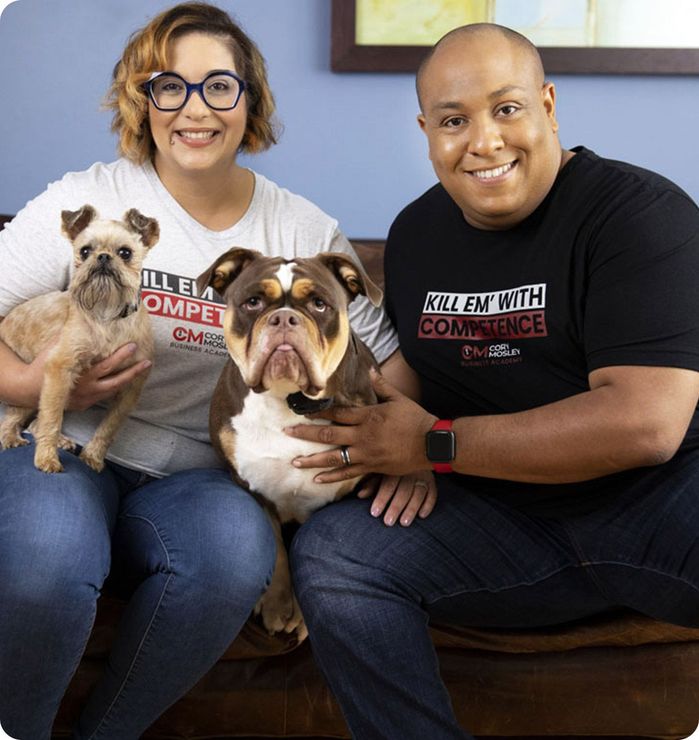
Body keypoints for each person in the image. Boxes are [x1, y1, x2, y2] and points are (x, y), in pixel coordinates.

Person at [0, 3, 404, 738]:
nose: (194, 108)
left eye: (219, 86)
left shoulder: (301, 230)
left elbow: (385, 364)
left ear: (248, 100)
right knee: (45, 563)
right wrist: (29, 387)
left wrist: (422, 445)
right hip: (64, 444)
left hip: (201, 477)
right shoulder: (83, 202)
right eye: (169, 86)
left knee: (231, 556)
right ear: (140, 98)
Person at [286, 23, 699, 739]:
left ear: (547, 105)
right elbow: (412, 370)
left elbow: (645, 424)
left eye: (506, 109)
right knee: (336, 556)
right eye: (453, 120)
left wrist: (434, 446)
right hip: (503, 526)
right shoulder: (416, 234)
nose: (482, 142)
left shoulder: (637, 214)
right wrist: (377, 439)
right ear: (425, 131)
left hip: (660, 507)